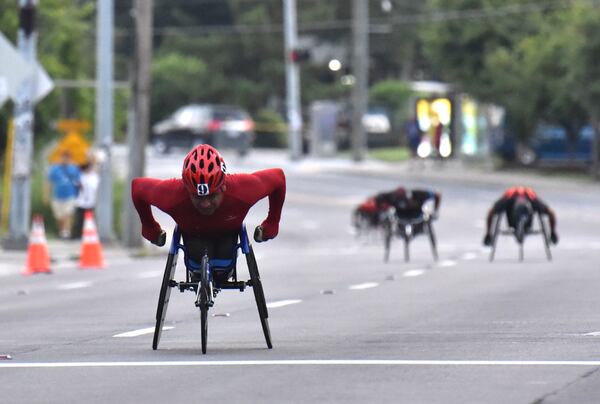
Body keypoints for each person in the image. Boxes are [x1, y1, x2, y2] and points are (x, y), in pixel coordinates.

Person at [131, 144, 285, 279]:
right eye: (197, 196)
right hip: (193, 237)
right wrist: (149, 226)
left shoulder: (242, 188)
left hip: (228, 236)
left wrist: (272, 223)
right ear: (186, 189)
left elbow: (278, 178)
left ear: (223, 186)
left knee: (224, 255)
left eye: (212, 196)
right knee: (197, 255)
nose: (205, 204)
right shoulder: (172, 194)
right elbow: (137, 187)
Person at [482, 186, 558, 246]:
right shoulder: (513, 195)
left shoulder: (526, 195)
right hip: (517, 206)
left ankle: (489, 235)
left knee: (493, 211)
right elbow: (551, 213)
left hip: (521, 205)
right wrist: (552, 232)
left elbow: (491, 212)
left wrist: (488, 233)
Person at [46, 150, 81, 239]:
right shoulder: (55, 169)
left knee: (67, 214)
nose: (65, 159)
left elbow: (79, 181)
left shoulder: (74, 169)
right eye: (63, 157)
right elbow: (49, 182)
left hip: (70, 195)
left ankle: (67, 232)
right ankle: (62, 231)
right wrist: (46, 194)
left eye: (67, 158)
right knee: (59, 216)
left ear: (69, 159)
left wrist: (79, 193)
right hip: (57, 196)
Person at [71, 156, 100, 239]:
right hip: (81, 202)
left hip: (91, 202)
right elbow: (76, 184)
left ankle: (90, 235)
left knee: (90, 220)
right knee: (79, 220)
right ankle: (77, 235)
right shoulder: (81, 176)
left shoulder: (94, 177)